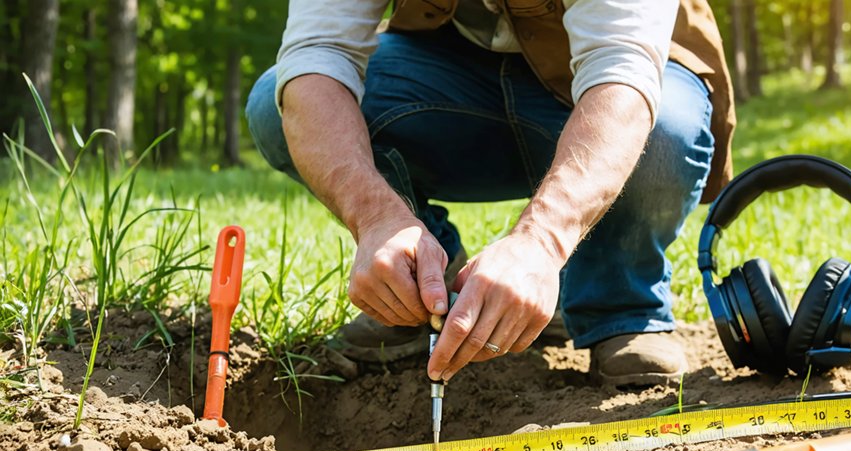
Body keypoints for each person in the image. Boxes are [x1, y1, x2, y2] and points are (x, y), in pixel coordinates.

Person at [246, 0, 735, 386]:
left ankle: (619, 305)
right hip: (453, 80)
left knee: (663, 133)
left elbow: (621, 76)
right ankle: (422, 284)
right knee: (279, 105)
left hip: (615, 85)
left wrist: (540, 245)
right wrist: (376, 217)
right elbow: (318, 58)